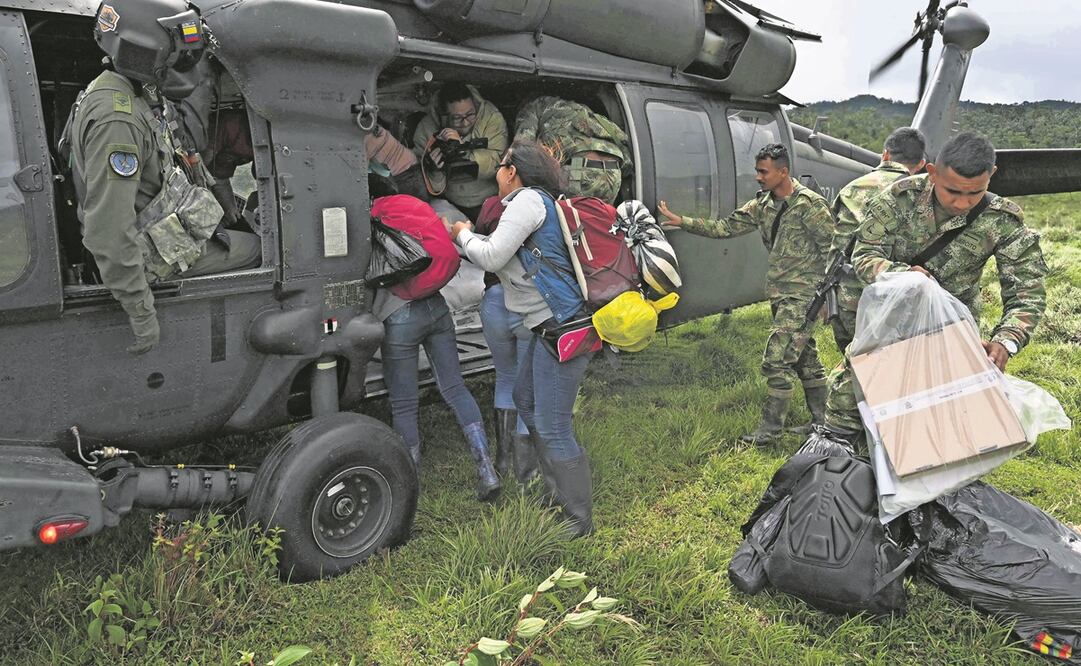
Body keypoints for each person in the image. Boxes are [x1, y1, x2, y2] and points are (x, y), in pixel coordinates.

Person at [822, 131, 1048, 445]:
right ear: (932, 172)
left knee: (937, 412)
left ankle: (919, 478)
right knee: (851, 397)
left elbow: (1027, 290)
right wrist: (904, 276)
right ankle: (841, 465)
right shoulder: (897, 199)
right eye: (952, 191)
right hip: (888, 317)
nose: (962, 203)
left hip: (949, 327)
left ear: (991, 176)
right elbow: (865, 255)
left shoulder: (1002, 219)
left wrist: (1006, 341)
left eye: (974, 193)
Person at [69, 0, 260, 355]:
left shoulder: (126, 93)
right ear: (145, 53)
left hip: (159, 234)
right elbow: (107, 232)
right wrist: (142, 314)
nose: (181, 64)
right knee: (256, 251)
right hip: (145, 256)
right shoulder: (118, 119)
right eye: (173, 55)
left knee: (235, 234)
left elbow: (177, 156)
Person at [448, 139, 595, 537]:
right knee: (526, 401)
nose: (496, 171)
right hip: (547, 326)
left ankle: (577, 520)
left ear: (512, 171)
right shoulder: (529, 205)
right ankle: (554, 493)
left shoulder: (528, 201)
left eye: (500, 165)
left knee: (553, 426)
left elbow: (493, 256)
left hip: (562, 327)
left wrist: (462, 233)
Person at [657, 143, 833, 442]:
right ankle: (822, 423)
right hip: (780, 292)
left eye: (764, 172)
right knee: (805, 358)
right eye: (757, 171)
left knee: (777, 359)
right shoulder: (762, 205)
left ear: (783, 171)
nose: (758, 177)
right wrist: (683, 222)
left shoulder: (810, 206)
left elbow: (832, 248)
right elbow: (726, 227)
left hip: (804, 295)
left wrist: (829, 297)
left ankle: (771, 430)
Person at [368, 178, 501, 502]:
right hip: (437, 307)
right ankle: (486, 469)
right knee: (455, 388)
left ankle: (408, 491)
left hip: (399, 316)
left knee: (404, 404)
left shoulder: (368, 219)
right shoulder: (411, 207)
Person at [827, 127, 927, 352]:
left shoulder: (851, 189)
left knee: (855, 364)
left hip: (848, 296)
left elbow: (834, 241)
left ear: (885, 155)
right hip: (897, 296)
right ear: (921, 164)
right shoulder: (922, 194)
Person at [473, 197, 537, 485]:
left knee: (505, 378)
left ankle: (502, 460)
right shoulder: (540, 205)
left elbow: (480, 235)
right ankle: (526, 471)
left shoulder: (490, 206)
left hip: (495, 301)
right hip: (526, 302)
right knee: (528, 384)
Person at [412, 83, 508, 220]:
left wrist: (463, 150)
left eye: (470, 114)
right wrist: (434, 170)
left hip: (491, 198)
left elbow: (497, 163)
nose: (465, 123)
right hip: (452, 203)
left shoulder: (491, 118)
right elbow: (425, 185)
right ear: (444, 117)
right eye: (457, 118)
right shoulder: (426, 131)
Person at [514, 95, 631, 204]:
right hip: (614, 170)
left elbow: (522, 151)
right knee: (599, 221)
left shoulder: (532, 108)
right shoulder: (582, 111)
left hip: (580, 169)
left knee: (569, 220)